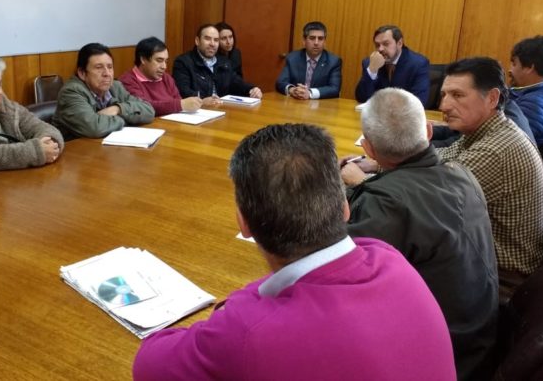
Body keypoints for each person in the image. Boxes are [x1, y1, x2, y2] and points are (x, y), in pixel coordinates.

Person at [133, 123, 456, 381]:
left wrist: (240, 304)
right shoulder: (387, 256)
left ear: (244, 223)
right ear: (344, 207)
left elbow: (148, 364)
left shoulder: (248, 331)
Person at [341, 88, 498, 381]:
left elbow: (340, 280)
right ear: (427, 132)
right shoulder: (463, 175)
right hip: (480, 337)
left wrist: (350, 191)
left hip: (444, 358)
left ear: (369, 149)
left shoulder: (384, 204)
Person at [436, 57, 543, 298]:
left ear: (492, 98)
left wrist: (364, 175)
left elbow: (427, 190)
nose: (444, 106)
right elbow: (442, 156)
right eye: (444, 95)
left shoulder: (496, 149)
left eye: (457, 95)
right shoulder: (486, 129)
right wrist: (377, 162)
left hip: (502, 280)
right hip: (488, 262)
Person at [53, 43, 155, 139]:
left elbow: (149, 111)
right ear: (82, 73)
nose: (107, 73)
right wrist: (127, 118)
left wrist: (117, 109)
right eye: (99, 67)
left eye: (110, 67)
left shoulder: (115, 86)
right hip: (76, 153)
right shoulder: (71, 92)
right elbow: (95, 128)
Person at [172, 24, 262, 106]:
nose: (212, 44)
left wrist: (252, 89)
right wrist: (202, 100)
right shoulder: (183, 62)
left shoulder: (224, 62)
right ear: (197, 41)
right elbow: (183, 91)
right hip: (196, 111)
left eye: (216, 40)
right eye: (207, 39)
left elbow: (236, 82)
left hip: (221, 109)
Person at [119, 37, 202, 116]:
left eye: (166, 61)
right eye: (159, 60)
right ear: (143, 59)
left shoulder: (166, 78)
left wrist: (181, 104)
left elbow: (177, 101)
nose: (164, 66)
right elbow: (143, 107)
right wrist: (180, 104)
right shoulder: (127, 81)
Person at [355, 25, 430, 106]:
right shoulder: (370, 63)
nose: (380, 49)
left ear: (400, 43)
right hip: (377, 116)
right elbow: (361, 98)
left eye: (386, 44)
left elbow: (419, 102)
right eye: (377, 45)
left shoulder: (418, 64)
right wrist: (372, 70)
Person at [509, 35, 543, 153]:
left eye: (514, 64)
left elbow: (504, 143)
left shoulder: (537, 104)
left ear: (529, 67)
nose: (510, 70)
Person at [275, 21, 342, 99]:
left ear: (324, 42)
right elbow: (280, 83)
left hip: (321, 107)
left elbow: (334, 89)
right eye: (312, 38)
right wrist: (292, 90)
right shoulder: (292, 58)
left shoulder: (334, 61)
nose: (316, 43)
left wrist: (310, 93)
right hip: (296, 105)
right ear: (304, 40)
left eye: (320, 38)